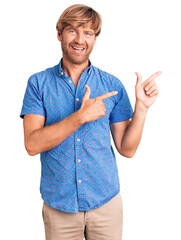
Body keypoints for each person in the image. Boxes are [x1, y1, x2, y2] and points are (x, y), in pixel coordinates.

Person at [20, 4, 162, 240]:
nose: (79, 39)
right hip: (59, 208)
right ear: (59, 34)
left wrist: (142, 108)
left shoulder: (112, 85)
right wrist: (80, 117)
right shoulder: (38, 84)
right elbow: (32, 145)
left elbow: (127, 149)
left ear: (95, 39)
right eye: (72, 30)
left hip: (106, 205)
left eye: (88, 33)